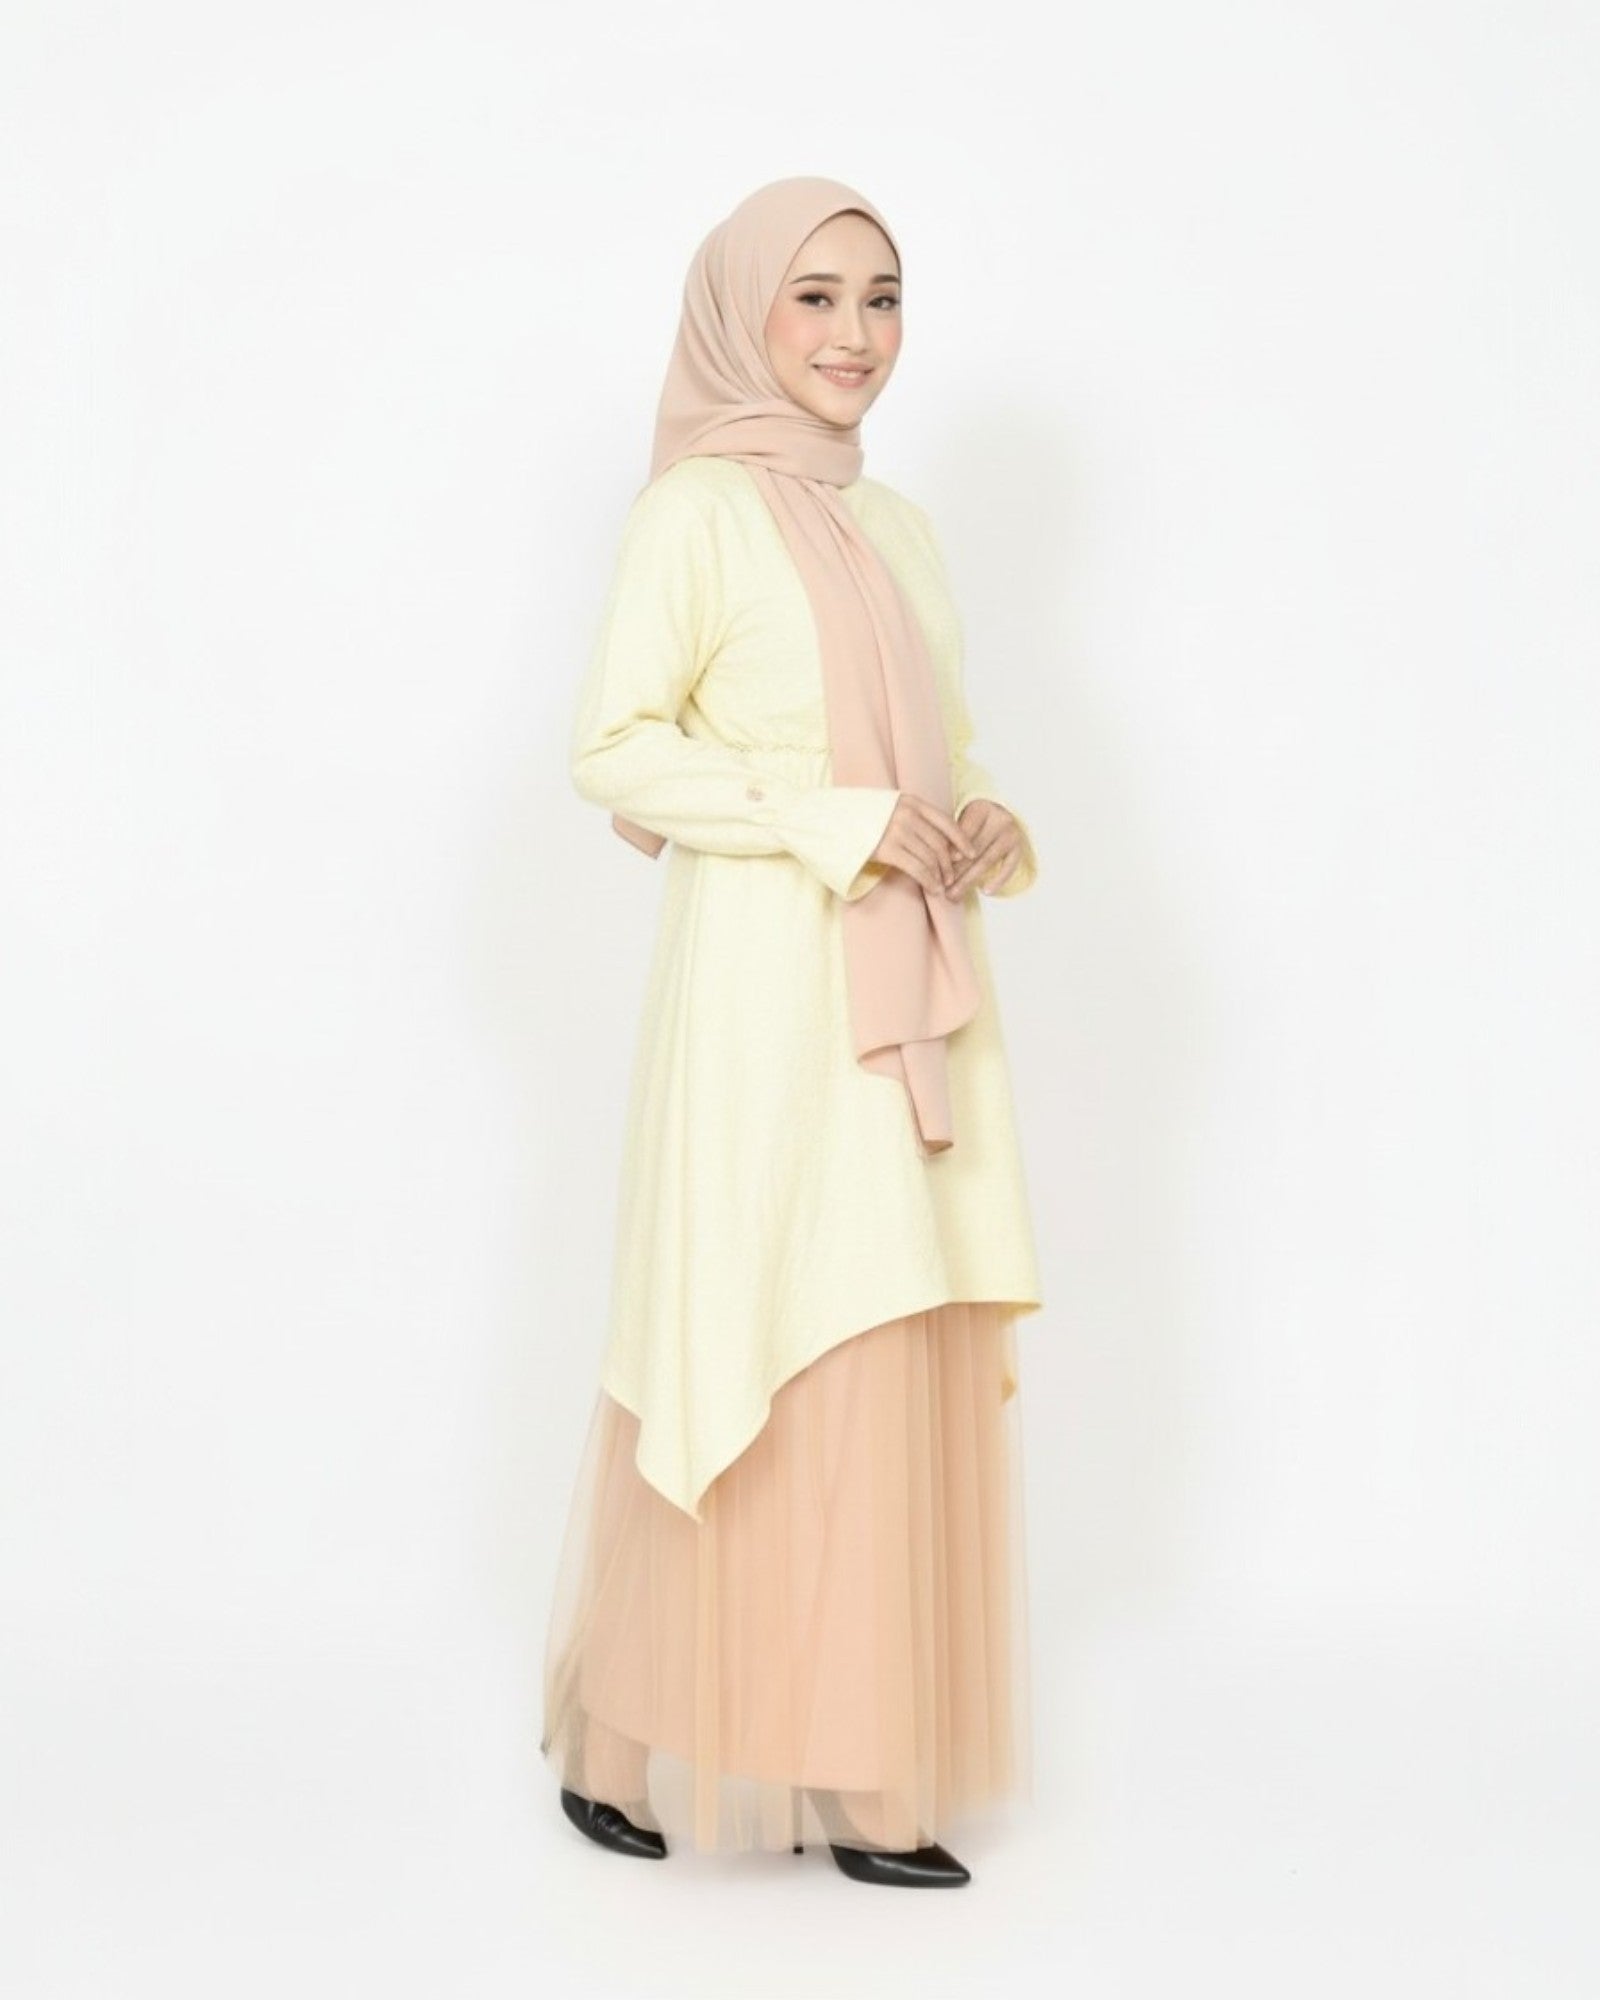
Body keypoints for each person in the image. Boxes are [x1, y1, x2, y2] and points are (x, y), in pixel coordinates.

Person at [539, 174, 1044, 1889]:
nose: (856, 335)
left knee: (876, 1333)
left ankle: (861, 1768)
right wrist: (835, 821)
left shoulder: (897, 525)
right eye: (816, 297)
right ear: (741, 313)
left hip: (912, 990)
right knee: (743, 1329)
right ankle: (618, 1734)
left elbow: (940, 741)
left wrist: (980, 818)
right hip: (764, 993)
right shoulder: (695, 512)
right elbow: (615, 750)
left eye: (883, 299)